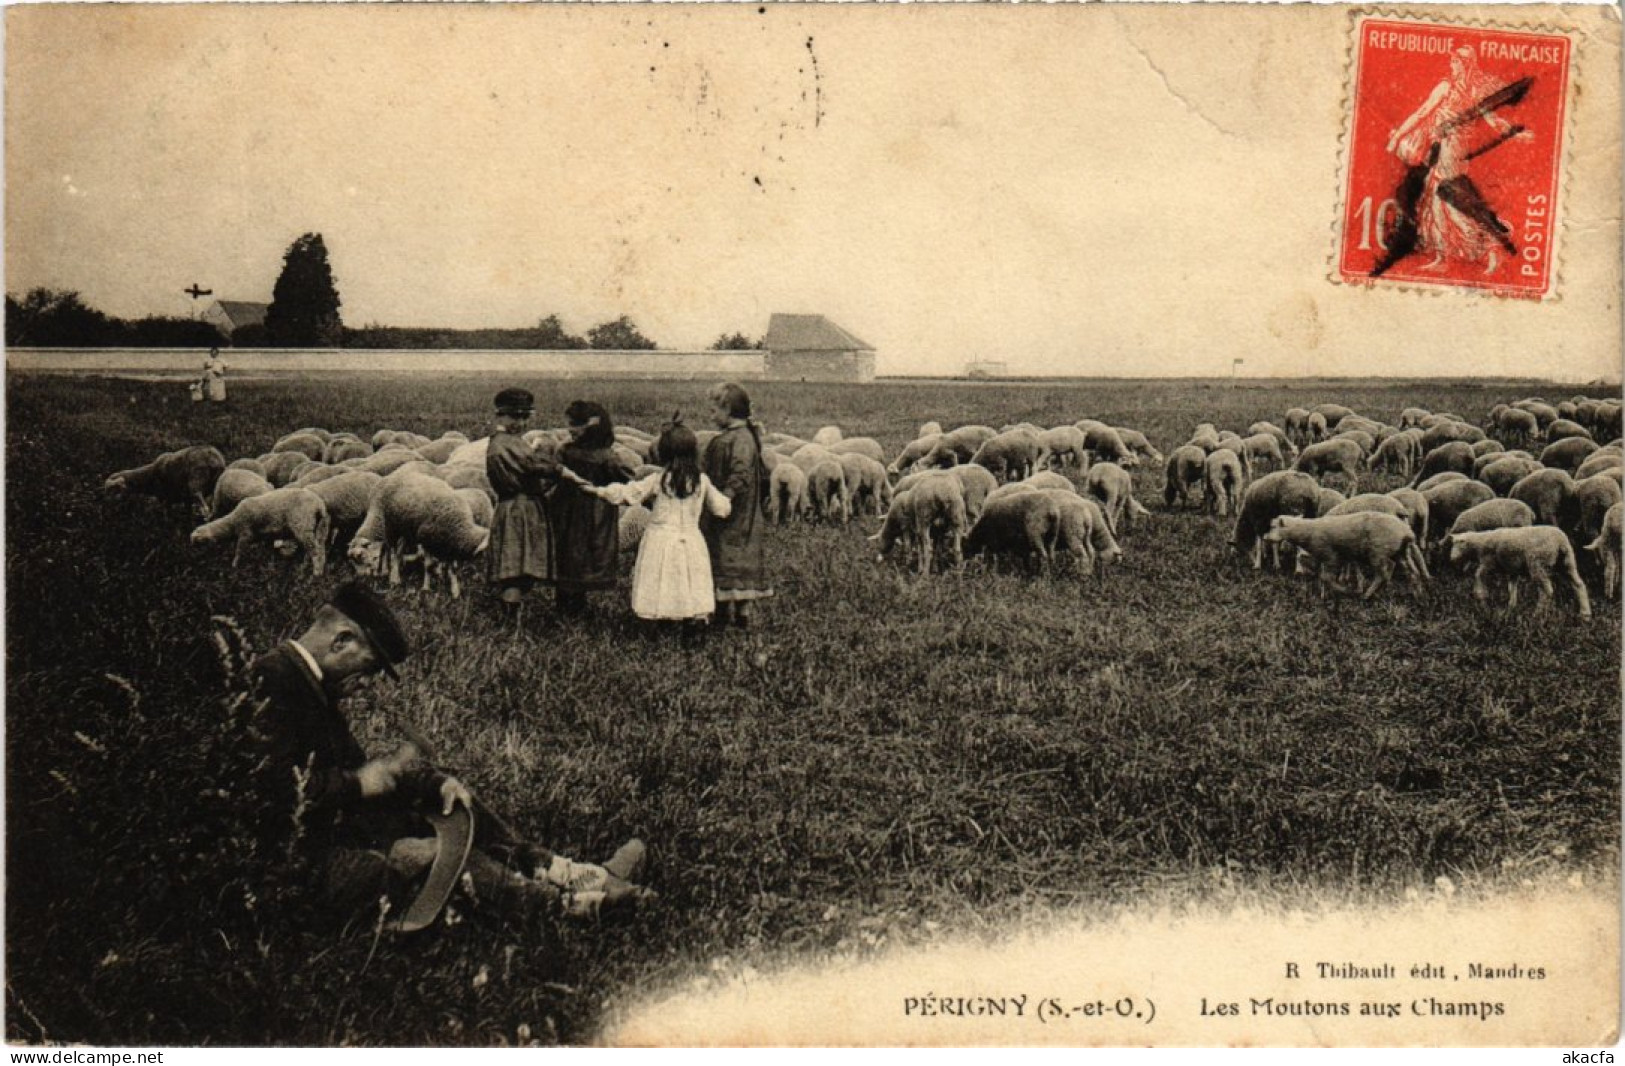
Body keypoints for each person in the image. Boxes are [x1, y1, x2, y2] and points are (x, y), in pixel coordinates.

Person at [248, 582, 655, 922]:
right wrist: (358, 784)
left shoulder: (309, 684)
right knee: (436, 855)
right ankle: (567, 906)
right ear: (342, 641)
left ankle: (562, 871)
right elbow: (275, 792)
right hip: (302, 861)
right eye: (369, 669)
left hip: (340, 828)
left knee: (452, 804)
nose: (366, 684)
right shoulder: (270, 680)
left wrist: (431, 781)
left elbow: (354, 774)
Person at [1385, 46, 1529, 275]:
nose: (1451, 66)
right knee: (1435, 203)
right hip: (1441, 150)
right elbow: (1424, 113)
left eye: (1455, 62)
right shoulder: (1455, 88)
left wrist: (1398, 138)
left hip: (1452, 152)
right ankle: (1444, 256)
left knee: (1448, 202)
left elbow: (1424, 113)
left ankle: (1487, 248)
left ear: (1463, 64)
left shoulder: (1460, 90)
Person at [574, 416, 733, 624]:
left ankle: (663, 620)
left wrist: (598, 491)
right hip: (691, 540)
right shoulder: (701, 481)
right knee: (689, 578)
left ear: (663, 453)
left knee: (662, 579)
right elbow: (721, 508)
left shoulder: (659, 479)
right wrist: (730, 499)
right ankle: (693, 622)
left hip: (660, 540)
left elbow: (630, 493)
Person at [549, 400, 634, 615]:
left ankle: (569, 605)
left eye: (575, 425)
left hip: (570, 511)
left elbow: (626, 480)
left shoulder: (568, 452)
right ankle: (572, 605)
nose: (570, 429)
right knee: (583, 554)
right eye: (570, 424)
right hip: (591, 513)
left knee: (570, 554)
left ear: (591, 426)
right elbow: (627, 477)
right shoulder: (605, 455)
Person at [485, 388, 566, 610]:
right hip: (519, 509)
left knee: (518, 567)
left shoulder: (506, 441)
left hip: (520, 507)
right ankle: (510, 619)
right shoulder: (506, 443)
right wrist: (560, 472)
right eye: (515, 416)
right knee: (515, 568)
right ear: (500, 415)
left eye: (524, 417)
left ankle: (511, 616)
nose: (520, 422)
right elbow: (535, 467)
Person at [700, 382, 772, 628]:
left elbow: (740, 474)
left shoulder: (739, 440)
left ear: (727, 410)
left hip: (734, 513)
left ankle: (729, 615)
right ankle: (737, 613)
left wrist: (723, 498)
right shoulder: (740, 437)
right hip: (738, 511)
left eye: (713, 411)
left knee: (726, 554)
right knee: (734, 555)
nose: (710, 416)